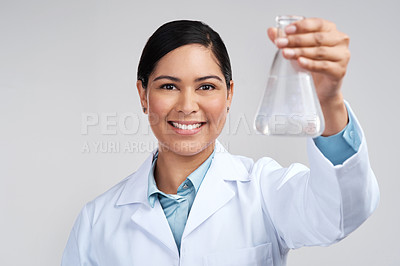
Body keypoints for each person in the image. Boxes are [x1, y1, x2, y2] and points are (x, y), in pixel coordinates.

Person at [62, 18, 379, 266]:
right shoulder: (96, 221)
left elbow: (340, 213)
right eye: (169, 86)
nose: (187, 106)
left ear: (229, 94)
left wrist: (328, 100)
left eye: (206, 87)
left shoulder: (264, 192)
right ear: (143, 95)